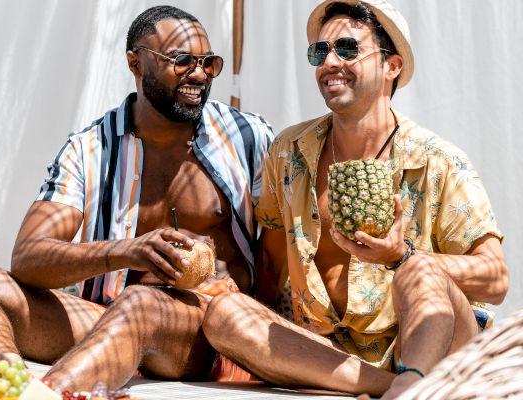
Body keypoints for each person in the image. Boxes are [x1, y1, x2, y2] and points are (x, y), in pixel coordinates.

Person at [0, 5, 273, 392]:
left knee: (140, 303)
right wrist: (127, 251)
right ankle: (7, 376)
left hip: (209, 335)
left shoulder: (248, 137)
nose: (198, 74)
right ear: (135, 62)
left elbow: (284, 249)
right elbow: (28, 258)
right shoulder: (90, 148)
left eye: (208, 62)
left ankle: (43, 395)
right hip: (112, 318)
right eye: (181, 61)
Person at [202, 0, 509, 399]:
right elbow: (272, 258)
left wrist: (401, 257)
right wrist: (259, 334)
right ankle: (392, 388)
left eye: (348, 49)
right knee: (224, 313)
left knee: (419, 271)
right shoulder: (287, 150)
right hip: (333, 354)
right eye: (320, 52)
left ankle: (410, 380)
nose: (330, 61)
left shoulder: (438, 160)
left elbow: (497, 279)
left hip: (433, 347)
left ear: (391, 66)